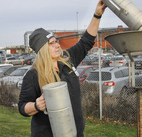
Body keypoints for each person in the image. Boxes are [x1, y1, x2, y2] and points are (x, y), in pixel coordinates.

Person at [18, 1, 107, 137]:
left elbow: (86, 41)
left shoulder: (67, 60)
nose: (57, 45)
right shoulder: (33, 75)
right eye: (52, 43)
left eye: (56, 41)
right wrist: (36, 106)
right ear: (42, 50)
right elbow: (22, 107)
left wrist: (97, 15)